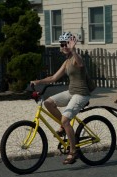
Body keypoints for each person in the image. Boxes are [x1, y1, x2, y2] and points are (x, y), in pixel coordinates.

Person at [30, 32, 91, 164]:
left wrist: (74, 49)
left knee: (65, 119)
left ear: (71, 44)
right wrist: (38, 81)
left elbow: (80, 64)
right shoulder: (67, 61)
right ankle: (64, 127)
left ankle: (73, 152)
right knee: (48, 103)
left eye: (66, 44)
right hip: (71, 92)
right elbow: (53, 78)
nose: (64, 46)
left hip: (81, 94)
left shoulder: (76, 57)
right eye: (62, 44)